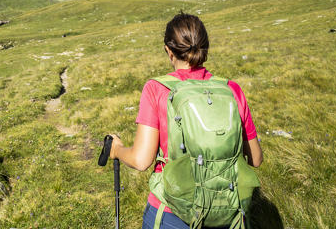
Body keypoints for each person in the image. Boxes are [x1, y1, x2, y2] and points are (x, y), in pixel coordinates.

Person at [108, 12, 263, 229]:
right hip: (228, 211)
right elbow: (255, 158)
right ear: (204, 48)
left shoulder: (156, 88)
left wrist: (117, 150)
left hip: (172, 212)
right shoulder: (231, 89)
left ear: (169, 51)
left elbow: (141, 160)